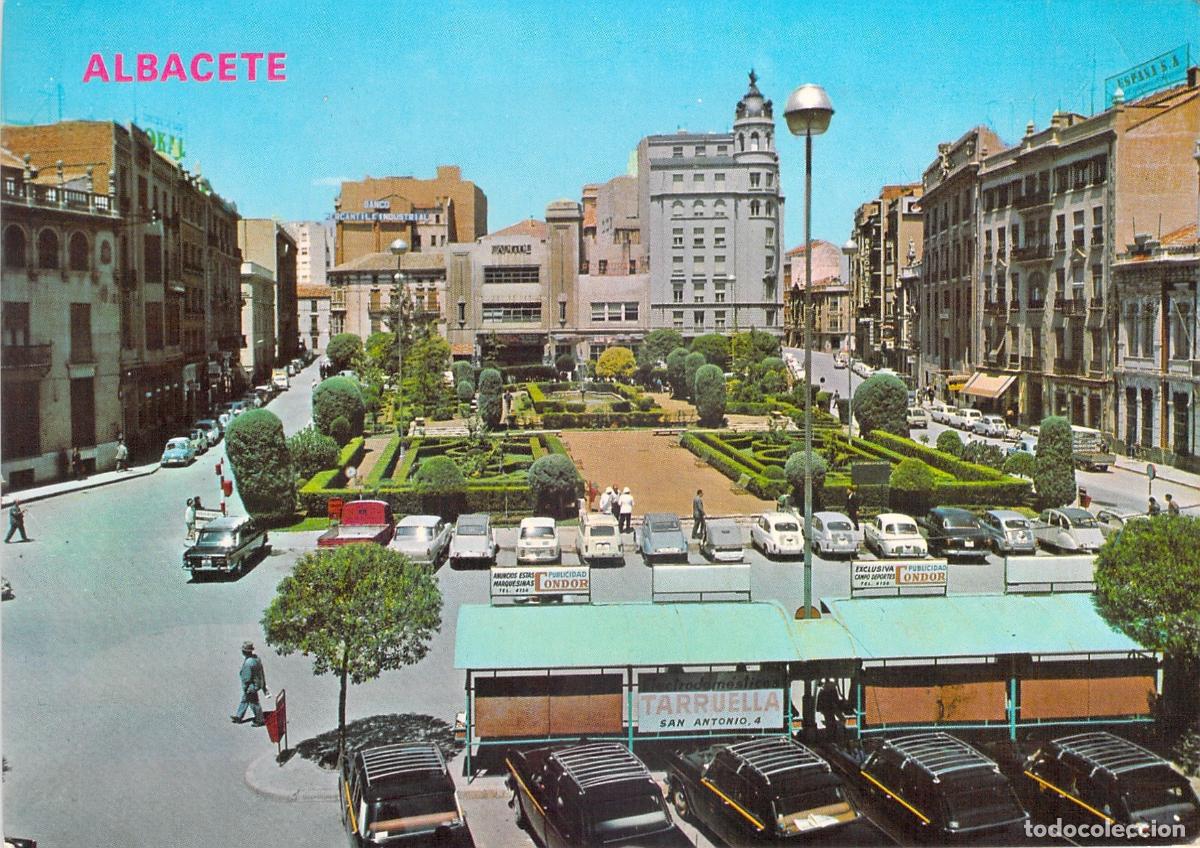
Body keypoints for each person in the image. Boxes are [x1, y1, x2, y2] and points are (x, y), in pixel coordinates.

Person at [231, 641, 268, 726]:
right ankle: (239, 716)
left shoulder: (248, 663)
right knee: (245, 699)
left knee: (254, 702)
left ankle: (260, 719)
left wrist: (245, 687)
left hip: (251, 686)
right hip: (257, 683)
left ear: (245, 652)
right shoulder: (256, 659)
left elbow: (246, 678)